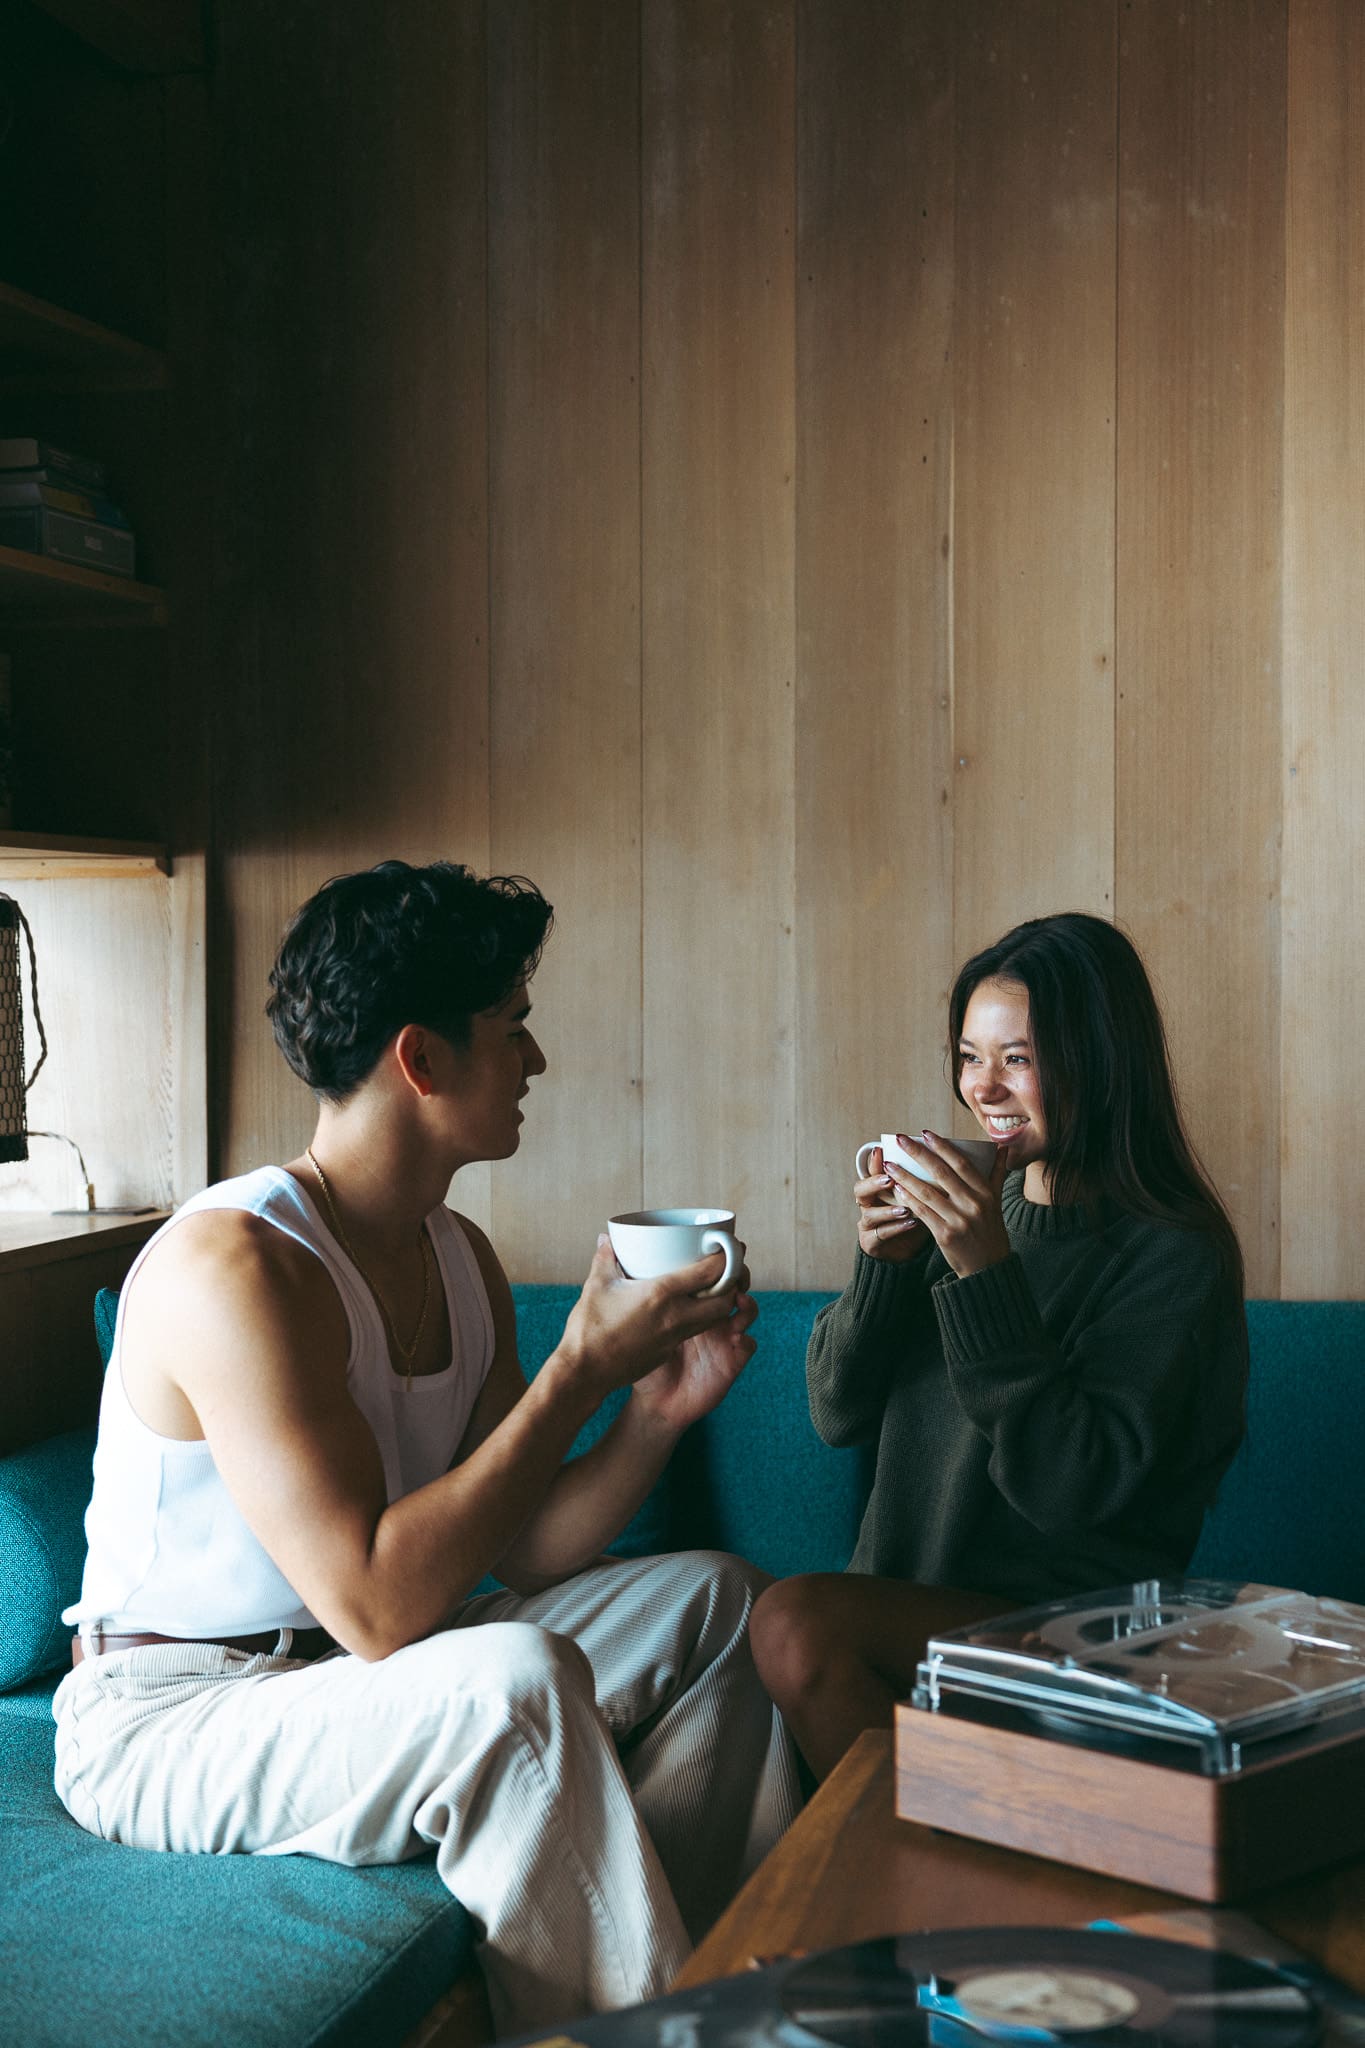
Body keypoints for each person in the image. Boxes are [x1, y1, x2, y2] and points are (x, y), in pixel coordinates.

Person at [53, 859, 799, 2032]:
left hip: (361, 1674)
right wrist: (577, 1368)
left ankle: (671, 1981)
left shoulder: (458, 1253)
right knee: (511, 1687)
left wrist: (655, 1407)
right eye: (516, 1027)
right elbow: (378, 1607)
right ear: (422, 1057)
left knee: (725, 1610)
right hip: (173, 1712)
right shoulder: (235, 1267)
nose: (537, 1061)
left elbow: (533, 1543)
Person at [749, 911, 1248, 1782]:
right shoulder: (969, 1216)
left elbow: (1069, 1486)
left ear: (1098, 1062)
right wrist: (883, 1266)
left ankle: (926, 1883)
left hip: (1070, 1638)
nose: (984, 1088)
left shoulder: (1173, 1255)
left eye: (1017, 1058)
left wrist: (984, 1274)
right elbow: (835, 1413)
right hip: (905, 1621)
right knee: (728, 1625)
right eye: (970, 1057)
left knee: (794, 1622)